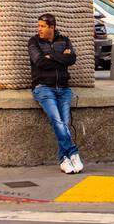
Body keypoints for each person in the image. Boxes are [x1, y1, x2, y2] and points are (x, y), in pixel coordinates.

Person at [29, 13, 83, 174]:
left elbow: (72, 59)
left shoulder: (64, 40)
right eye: (39, 26)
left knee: (64, 123)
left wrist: (51, 55)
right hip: (43, 87)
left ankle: (64, 159)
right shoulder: (34, 42)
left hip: (64, 88)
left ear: (52, 27)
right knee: (57, 121)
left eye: (43, 26)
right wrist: (60, 57)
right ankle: (72, 153)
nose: (40, 29)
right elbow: (39, 62)